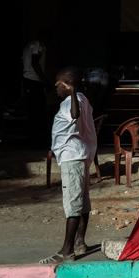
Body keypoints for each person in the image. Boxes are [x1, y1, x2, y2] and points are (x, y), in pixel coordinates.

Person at [40, 67, 97, 264]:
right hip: (77, 154)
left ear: (66, 85)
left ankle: (67, 250)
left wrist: (71, 93)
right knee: (82, 201)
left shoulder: (72, 101)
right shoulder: (83, 99)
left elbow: (73, 116)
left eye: (58, 85)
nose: (56, 89)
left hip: (73, 157)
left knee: (73, 204)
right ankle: (80, 242)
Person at [21, 30, 49, 144]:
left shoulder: (32, 45)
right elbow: (35, 63)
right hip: (32, 81)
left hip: (31, 81)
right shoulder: (37, 45)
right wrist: (45, 81)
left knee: (36, 110)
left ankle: (35, 139)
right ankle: (35, 140)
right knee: (36, 111)